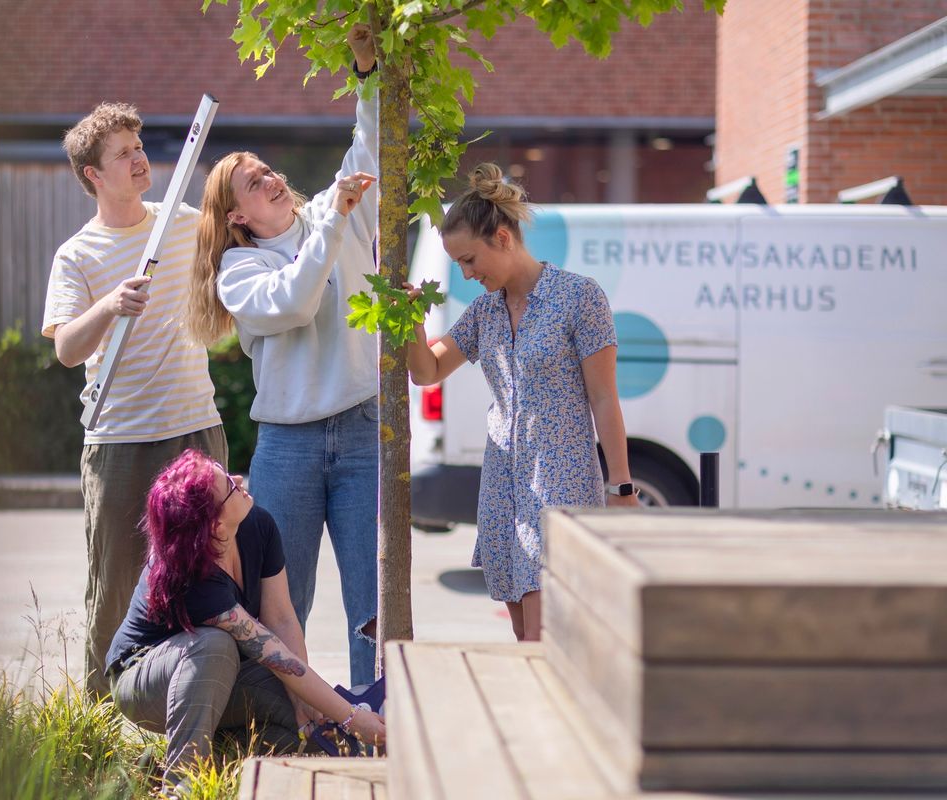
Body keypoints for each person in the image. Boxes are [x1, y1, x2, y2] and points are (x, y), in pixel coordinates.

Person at [188, 25, 380, 686]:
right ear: (236, 215)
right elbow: (296, 302)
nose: (268, 176)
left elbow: (372, 139)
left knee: (373, 604)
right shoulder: (239, 272)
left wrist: (368, 67)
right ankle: (283, 717)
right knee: (280, 603)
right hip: (289, 446)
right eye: (250, 180)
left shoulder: (339, 210)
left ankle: (373, 716)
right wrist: (330, 222)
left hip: (361, 432)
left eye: (265, 167)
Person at [406, 163, 639, 642]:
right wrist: (410, 323)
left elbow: (603, 397)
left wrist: (621, 488)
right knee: (523, 634)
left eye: (471, 260)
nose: (467, 274)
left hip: (561, 475)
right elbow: (426, 372)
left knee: (544, 638)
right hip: (502, 480)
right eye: (460, 266)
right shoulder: (484, 311)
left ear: (504, 238)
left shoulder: (579, 297)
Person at [43, 102, 228, 698]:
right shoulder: (78, 255)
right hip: (119, 439)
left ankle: (208, 705)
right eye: (123, 154)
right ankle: (101, 716)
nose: (140, 159)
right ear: (93, 174)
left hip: (195, 425)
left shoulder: (182, 221)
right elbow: (68, 348)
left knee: (214, 577)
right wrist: (110, 304)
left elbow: (244, 246)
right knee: (117, 584)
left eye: (140, 147)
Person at [107, 449, 385, 786]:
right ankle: (182, 783)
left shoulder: (257, 525)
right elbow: (271, 652)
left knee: (299, 724)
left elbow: (282, 620)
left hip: (219, 674)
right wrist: (353, 718)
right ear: (214, 524)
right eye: (229, 486)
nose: (239, 481)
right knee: (214, 645)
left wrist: (304, 707)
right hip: (144, 681)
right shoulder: (193, 576)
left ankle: (163, 764)